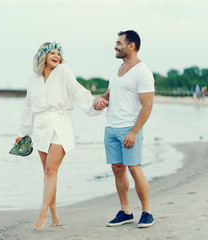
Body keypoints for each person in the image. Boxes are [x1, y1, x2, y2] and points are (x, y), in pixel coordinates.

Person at [15, 42, 107, 230]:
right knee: (49, 173)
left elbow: (77, 90)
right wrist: (23, 132)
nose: (56, 56)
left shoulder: (64, 71)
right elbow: (28, 106)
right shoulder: (33, 79)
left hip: (61, 124)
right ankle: (55, 214)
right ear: (43, 57)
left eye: (58, 53)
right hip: (41, 127)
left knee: (50, 170)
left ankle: (42, 214)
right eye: (52, 53)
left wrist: (93, 105)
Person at [94, 30, 155, 228]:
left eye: (119, 43)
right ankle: (126, 212)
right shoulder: (117, 69)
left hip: (129, 128)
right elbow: (109, 94)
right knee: (117, 169)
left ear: (132, 46)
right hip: (111, 126)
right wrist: (101, 100)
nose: (115, 46)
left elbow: (147, 106)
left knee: (135, 169)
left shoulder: (142, 72)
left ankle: (147, 213)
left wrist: (134, 131)